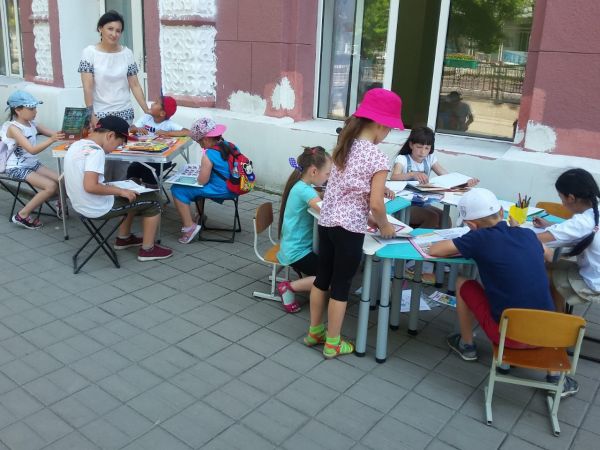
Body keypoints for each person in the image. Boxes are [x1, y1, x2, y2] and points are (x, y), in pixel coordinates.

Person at [429, 188, 578, 397]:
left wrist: (471, 239)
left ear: (471, 225)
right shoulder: (528, 235)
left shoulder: (477, 239)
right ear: (501, 212)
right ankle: (554, 376)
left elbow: (434, 250)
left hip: (509, 335)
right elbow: (549, 256)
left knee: (463, 282)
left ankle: (467, 345)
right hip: (547, 334)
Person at [305, 88, 403, 359]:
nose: (388, 134)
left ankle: (315, 332)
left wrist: (369, 216)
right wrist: (384, 225)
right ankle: (333, 343)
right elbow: (376, 203)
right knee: (341, 285)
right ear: (380, 125)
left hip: (327, 222)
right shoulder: (377, 157)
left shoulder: (343, 146)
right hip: (349, 230)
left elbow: (343, 192)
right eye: (390, 129)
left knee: (322, 278)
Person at [63, 116, 173, 262]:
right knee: (155, 200)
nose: (117, 148)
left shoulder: (77, 145)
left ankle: (124, 239)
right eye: (119, 143)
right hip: (96, 207)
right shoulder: (96, 152)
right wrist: (120, 191)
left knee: (132, 193)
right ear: (110, 136)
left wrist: (118, 189)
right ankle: (148, 249)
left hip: (80, 204)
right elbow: (90, 186)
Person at [78, 9, 150, 180]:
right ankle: (97, 189)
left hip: (124, 114)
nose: (114, 34)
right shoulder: (89, 52)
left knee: (121, 159)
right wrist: (91, 114)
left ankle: (120, 189)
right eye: (110, 29)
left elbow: (135, 84)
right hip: (101, 116)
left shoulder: (127, 53)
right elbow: (87, 87)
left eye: (118, 30)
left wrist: (147, 110)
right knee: (100, 158)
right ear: (100, 28)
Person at [534, 168, 600, 312]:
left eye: (561, 197)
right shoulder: (594, 212)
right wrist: (550, 225)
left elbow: (533, 239)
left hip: (595, 282)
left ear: (570, 198)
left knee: (541, 269)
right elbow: (580, 230)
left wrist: (514, 229)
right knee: (550, 264)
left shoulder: (582, 222)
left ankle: (558, 315)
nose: (562, 203)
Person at [276, 146, 332, 314]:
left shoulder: (302, 186)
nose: (329, 178)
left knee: (329, 266)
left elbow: (318, 197)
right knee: (330, 278)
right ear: (314, 171)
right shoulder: (304, 191)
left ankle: (306, 281)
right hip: (296, 252)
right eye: (328, 174)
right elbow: (326, 210)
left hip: (295, 247)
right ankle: (288, 287)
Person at [390, 126, 478, 228]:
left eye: (427, 148)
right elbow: (394, 177)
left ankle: (438, 239)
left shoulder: (430, 159)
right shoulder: (402, 159)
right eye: (419, 147)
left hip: (422, 203)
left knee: (446, 218)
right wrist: (413, 174)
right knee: (432, 217)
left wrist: (465, 182)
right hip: (404, 204)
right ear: (411, 145)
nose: (423, 152)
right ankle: (417, 238)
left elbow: (447, 176)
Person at [1, 90, 64, 229]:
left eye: (35, 108)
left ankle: (60, 204)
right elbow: (32, 149)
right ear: (18, 110)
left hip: (32, 164)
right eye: (31, 108)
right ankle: (22, 215)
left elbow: (56, 134)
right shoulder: (13, 128)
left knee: (62, 179)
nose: (35, 111)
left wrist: (73, 131)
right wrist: (52, 140)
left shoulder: (32, 123)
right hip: (16, 168)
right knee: (51, 186)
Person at [171, 117, 235, 244]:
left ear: (205, 139)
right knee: (196, 189)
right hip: (235, 186)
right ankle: (199, 215)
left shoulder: (209, 155)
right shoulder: (230, 145)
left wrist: (198, 176)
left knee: (177, 189)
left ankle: (189, 226)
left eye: (199, 142)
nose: (200, 145)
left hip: (222, 189)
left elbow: (202, 181)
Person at [126, 95, 190, 186]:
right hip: (143, 156)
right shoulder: (146, 118)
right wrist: (137, 129)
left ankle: (152, 192)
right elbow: (131, 129)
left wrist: (167, 133)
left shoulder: (168, 124)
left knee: (149, 172)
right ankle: (131, 190)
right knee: (132, 168)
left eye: (156, 103)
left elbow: (187, 132)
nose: (152, 104)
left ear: (162, 113)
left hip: (160, 159)